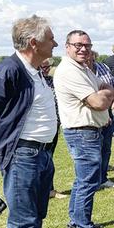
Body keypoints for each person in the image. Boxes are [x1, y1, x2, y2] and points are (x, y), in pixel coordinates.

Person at [0, 15, 67, 228]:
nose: (55, 43)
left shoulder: (35, 71)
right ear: (34, 42)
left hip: (42, 154)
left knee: (36, 215)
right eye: (51, 38)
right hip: (22, 156)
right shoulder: (8, 71)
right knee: (22, 221)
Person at [54, 30, 114, 228]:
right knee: (88, 181)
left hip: (89, 130)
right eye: (78, 45)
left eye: (87, 45)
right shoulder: (69, 71)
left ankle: (76, 223)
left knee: (84, 181)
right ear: (67, 46)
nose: (83, 49)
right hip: (82, 132)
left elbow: (106, 90)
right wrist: (106, 96)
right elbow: (100, 101)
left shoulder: (82, 68)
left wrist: (104, 95)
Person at [88, 51, 114, 189]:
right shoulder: (78, 72)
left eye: (91, 55)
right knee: (91, 151)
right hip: (90, 117)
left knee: (106, 148)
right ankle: (90, 182)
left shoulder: (103, 67)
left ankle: (102, 178)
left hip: (108, 113)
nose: (88, 58)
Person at [39, 59, 69, 198]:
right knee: (40, 158)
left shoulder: (53, 80)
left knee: (49, 157)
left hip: (54, 124)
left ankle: (49, 190)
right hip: (39, 126)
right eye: (42, 67)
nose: (45, 69)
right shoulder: (33, 81)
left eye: (48, 67)